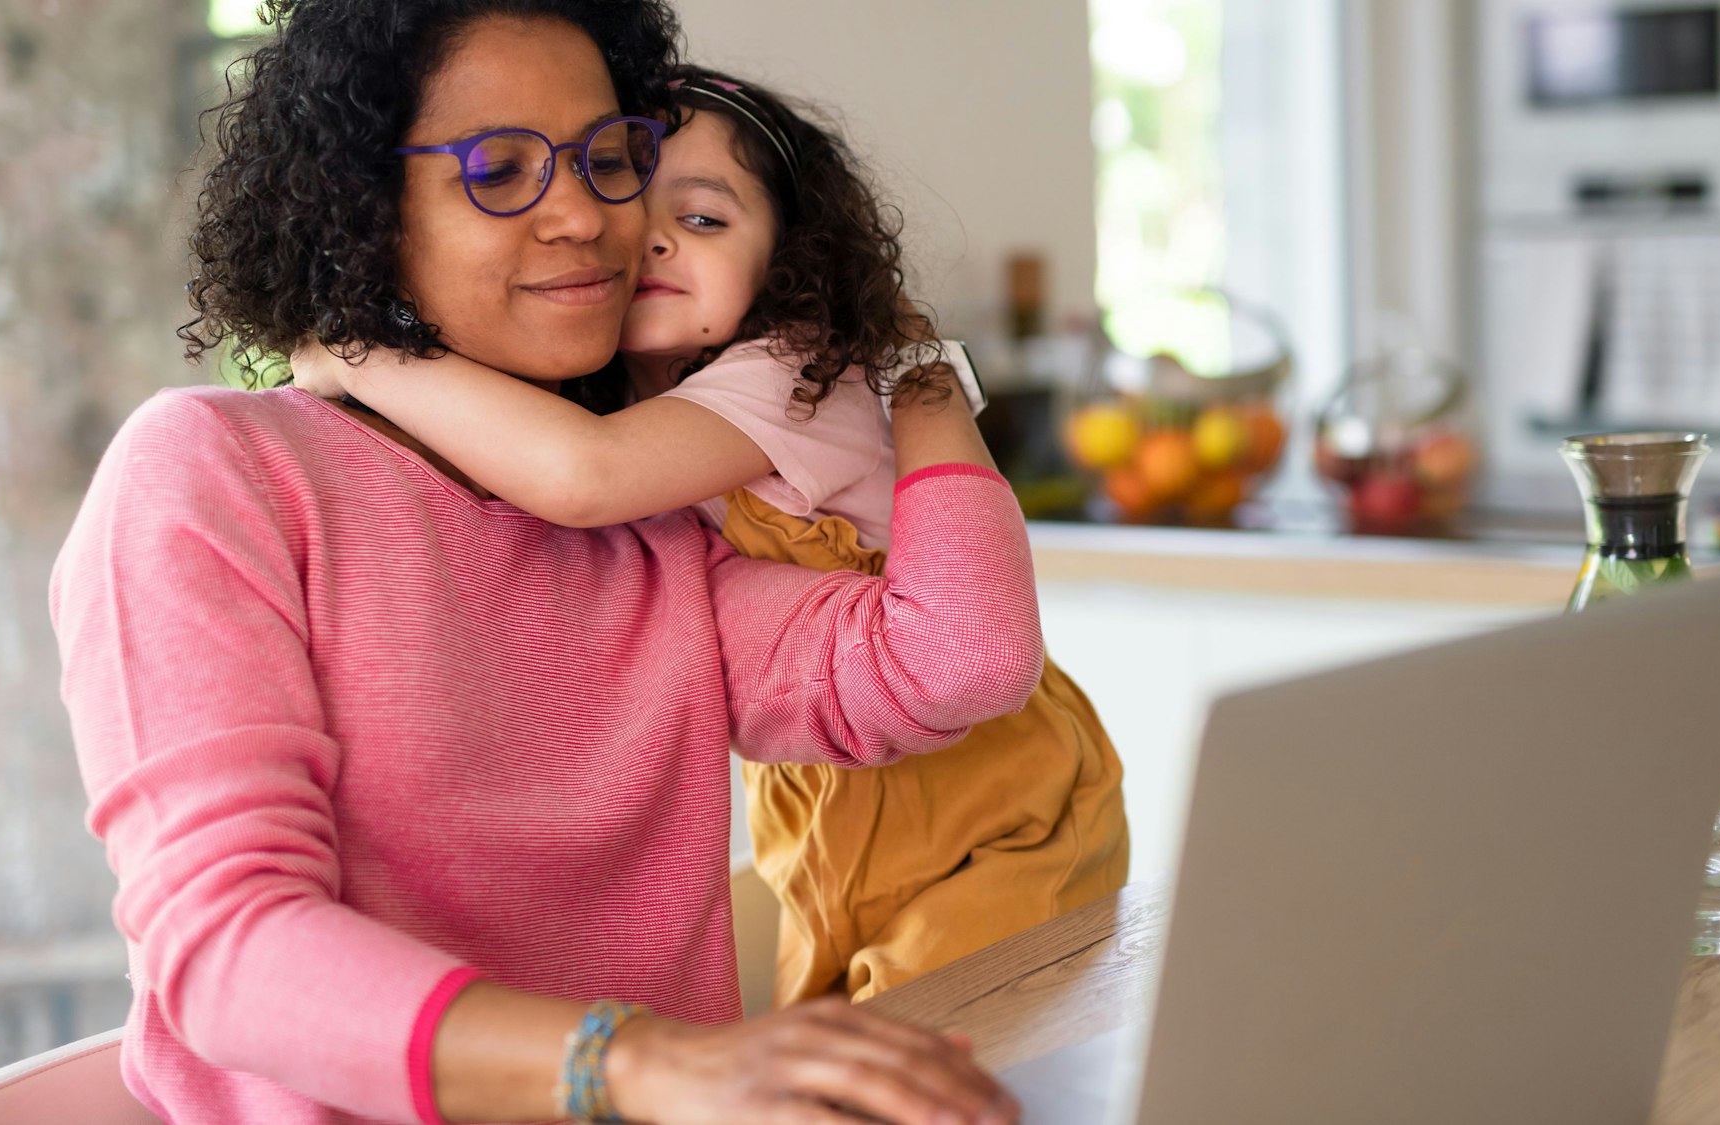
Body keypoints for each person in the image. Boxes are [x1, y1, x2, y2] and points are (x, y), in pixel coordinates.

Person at [52, 3, 1028, 1122]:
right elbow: (228, 952)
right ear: (362, 208)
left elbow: (957, 659)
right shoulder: (219, 470)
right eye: (500, 170)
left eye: (608, 160)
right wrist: (638, 1065)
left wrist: (916, 368)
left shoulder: (654, 526)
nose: (585, 216)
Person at [292, 65, 1129, 1007]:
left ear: (787, 261)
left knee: (918, 1063)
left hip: (998, 813)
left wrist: (362, 355)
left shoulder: (796, 370)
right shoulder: (647, 400)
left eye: (703, 218)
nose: (652, 238)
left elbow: (585, 475)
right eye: (627, 203)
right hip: (830, 817)